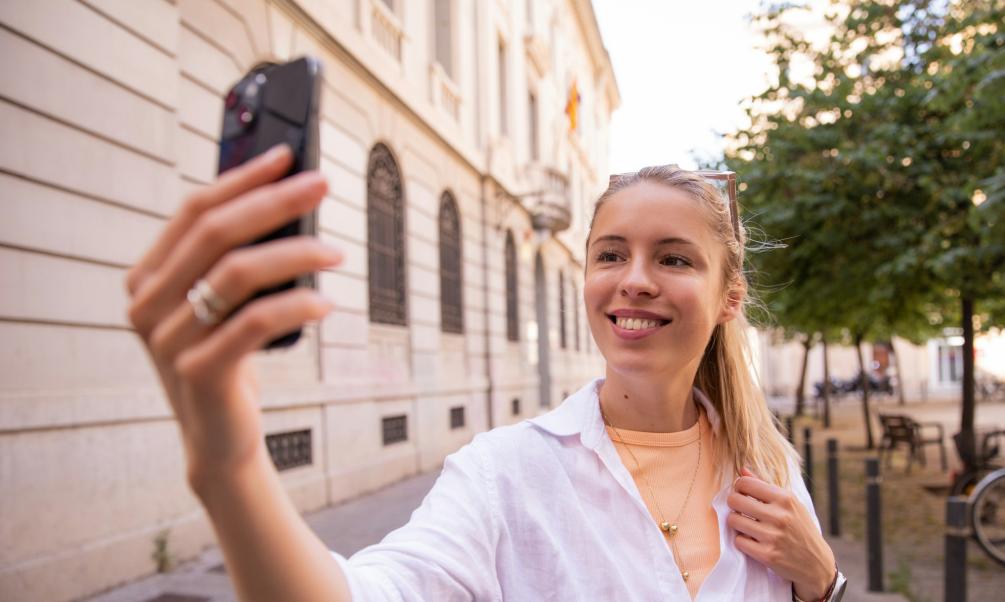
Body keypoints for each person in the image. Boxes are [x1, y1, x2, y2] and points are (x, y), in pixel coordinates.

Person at [125, 146, 844, 601]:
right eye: (610, 254)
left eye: (673, 258)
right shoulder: (502, 475)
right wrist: (230, 469)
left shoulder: (767, 465)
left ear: (728, 299)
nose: (634, 280)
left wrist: (824, 583)